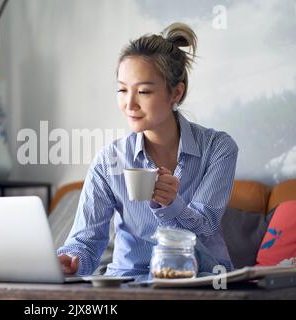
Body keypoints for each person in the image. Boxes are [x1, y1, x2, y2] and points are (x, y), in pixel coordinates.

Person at [57, 22, 238, 277]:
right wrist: (71, 261)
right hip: (128, 285)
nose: (129, 103)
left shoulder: (218, 148)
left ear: (176, 93)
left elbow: (206, 228)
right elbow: (86, 242)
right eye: (122, 90)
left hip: (198, 282)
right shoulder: (109, 161)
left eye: (143, 91)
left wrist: (172, 205)